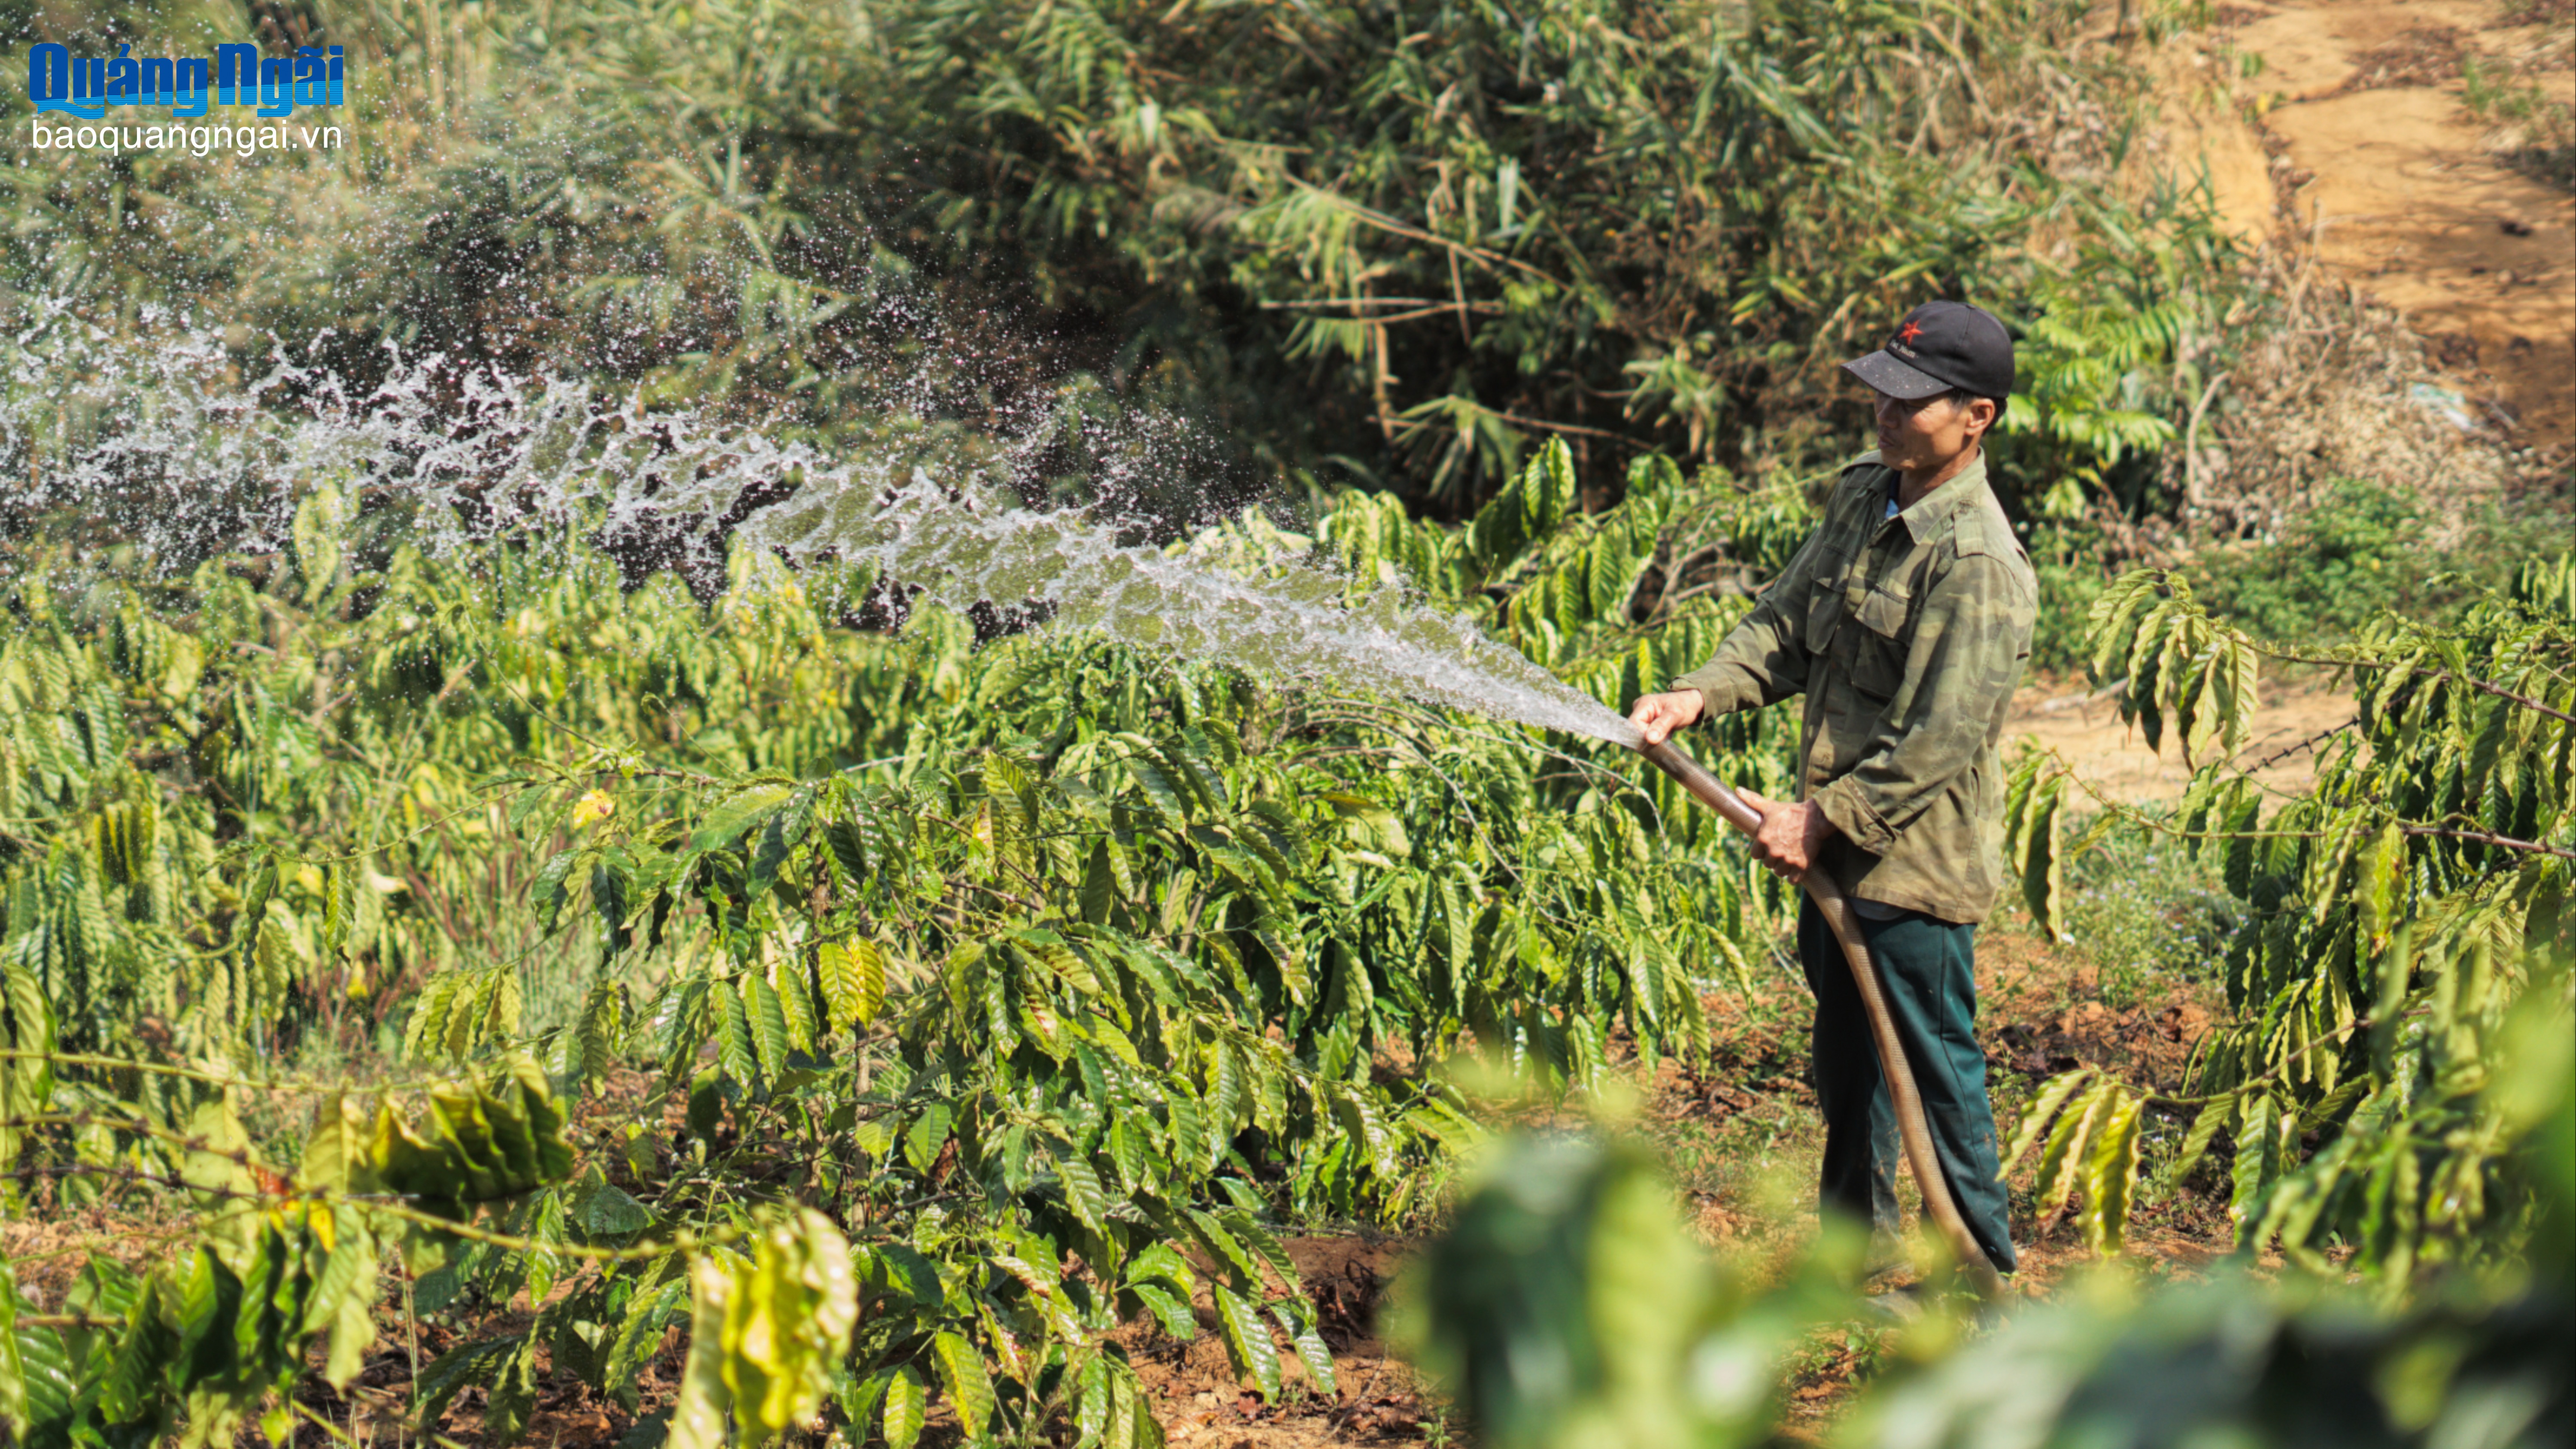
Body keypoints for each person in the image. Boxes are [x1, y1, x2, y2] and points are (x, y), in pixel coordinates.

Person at [1627, 300, 2035, 1279]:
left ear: (1976, 417)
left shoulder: (1976, 561)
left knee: (1936, 1077)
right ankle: (1864, 1269)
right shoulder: (1868, 495)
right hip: (1838, 855)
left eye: (1912, 403)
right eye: (1880, 396)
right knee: (1851, 1070)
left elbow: (1941, 737)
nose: (1886, 417)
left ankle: (1984, 1286)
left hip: (1910, 866)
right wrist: (1696, 694)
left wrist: (1824, 819)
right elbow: (1784, 624)